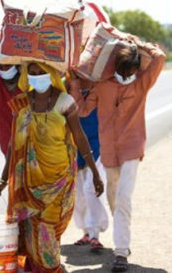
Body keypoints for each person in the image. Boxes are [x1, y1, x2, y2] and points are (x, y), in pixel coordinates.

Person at [0, 61, 104, 273]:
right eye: (31, 72)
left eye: (41, 72)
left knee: (47, 230)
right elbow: (13, 145)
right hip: (29, 183)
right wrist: (3, 178)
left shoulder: (65, 101)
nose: (36, 76)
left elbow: (80, 139)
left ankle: (50, 269)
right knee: (32, 233)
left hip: (58, 180)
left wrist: (95, 174)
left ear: (52, 74)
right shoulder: (22, 104)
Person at [69, 36, 166, 272]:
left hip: (132, 148)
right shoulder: (102, 86)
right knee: (114, 198)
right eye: (123, 71)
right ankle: (122, 236)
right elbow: (82, 110)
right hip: (109, 151)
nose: (127, 75)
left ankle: (121, 252)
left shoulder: (141, 83)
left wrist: (135, 43)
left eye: (131, 70)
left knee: (123, 197)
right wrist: (73, 82)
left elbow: (159, 57)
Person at [72, 84, 109, 251]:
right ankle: (86, 232)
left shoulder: (101, 88)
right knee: (78, 194)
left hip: (98, 144)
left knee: (90, 188)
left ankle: (95, 233)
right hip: (75, 145)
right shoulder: (68, 87)